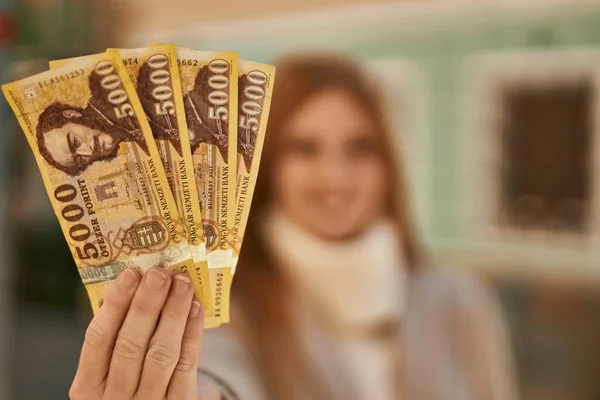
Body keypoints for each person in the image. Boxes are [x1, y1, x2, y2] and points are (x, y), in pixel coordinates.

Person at [69, 53, 518, 400]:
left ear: (388, 163)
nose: (335, 176)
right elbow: (216, 381)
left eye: (359, 147)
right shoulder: (224, 304)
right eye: (305, 148)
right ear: (265, 164)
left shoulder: (461, 299)